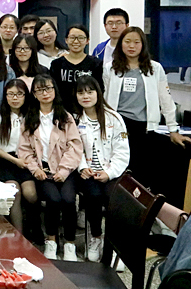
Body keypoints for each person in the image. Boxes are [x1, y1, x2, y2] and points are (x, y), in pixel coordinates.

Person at [103, 27, 191, 203]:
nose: (132, 46)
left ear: (143, 45)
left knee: (144, 172)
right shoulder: (110, 68)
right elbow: (104, 97)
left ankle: (146, 209)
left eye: (136, 42)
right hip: (119, 126)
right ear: (121, 44)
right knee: (122, 170)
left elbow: (165, 98)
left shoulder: (154, 68)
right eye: (127, 42)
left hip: (145, 127)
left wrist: (173, 129)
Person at [17, 74, 83, 261]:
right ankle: (51, 241)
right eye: (40, 90)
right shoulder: (29, 119)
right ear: (34, 94)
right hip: (43, 171)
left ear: (55, 90)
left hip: (66, 170)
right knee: (53, 199)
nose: (45, 93)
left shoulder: (65, 117)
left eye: (48, 88)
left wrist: (64, 170)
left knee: (68, 200)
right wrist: (35, 169)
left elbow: (75, 146)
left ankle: (69, 243)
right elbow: (24, 150)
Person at [74, 76, 130, 262]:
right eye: (81, 93)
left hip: (112, 172)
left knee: (114, 198)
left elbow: (122, 151)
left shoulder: (114, 118)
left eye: (90, 92)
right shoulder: (75, 119)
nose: (85, 96)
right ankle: (96, 237)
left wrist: (109, 173)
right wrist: (82, 167)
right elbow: (74, 148)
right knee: (93, 196)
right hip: (87, 173)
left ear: (98, 93)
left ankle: (114, 244)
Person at [0, 79, 38, 236]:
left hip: (26, 159)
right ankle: (19, 235)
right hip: (5, 160)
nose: (15, 98)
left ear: (26, 96)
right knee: (14, 191)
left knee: (30, 193)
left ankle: (35, 228)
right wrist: (15, 161)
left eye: (19, 94)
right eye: (10, 94)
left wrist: (27, 160)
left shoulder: (31, 116)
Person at [49, 24, 103, 113]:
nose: (76, 41)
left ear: (87, 41)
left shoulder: (95, 64)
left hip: (87, 111)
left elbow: (100, 89)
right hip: (62, 111)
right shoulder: (57, 64)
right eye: (72, 37)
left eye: (81, 38)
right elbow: (53, 89)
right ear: (66, 40)